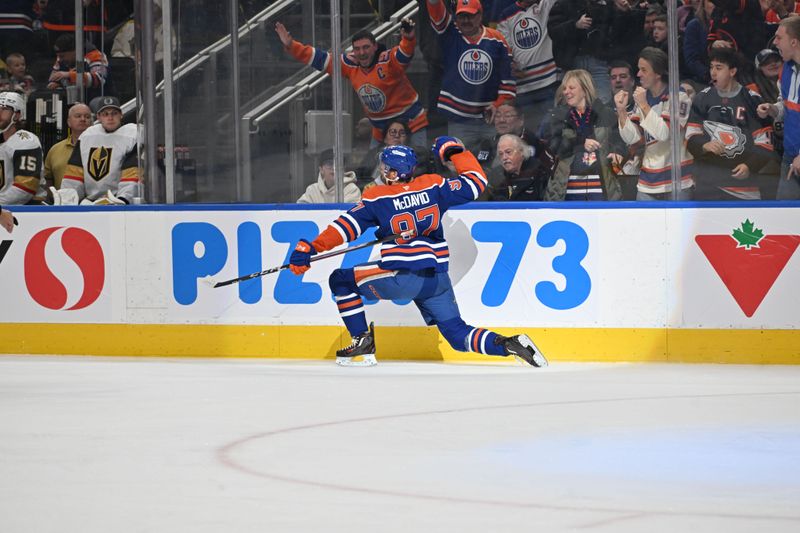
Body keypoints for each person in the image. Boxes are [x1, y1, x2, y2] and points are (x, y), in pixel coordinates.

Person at [287, 138, 547, 368]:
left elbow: (344, 229)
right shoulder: (434, 185)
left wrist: (311, 248)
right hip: (436, 279)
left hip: (402, 275)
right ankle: (509, 344)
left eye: (385, 167)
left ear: (393, 172)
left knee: (340, 280)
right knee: (457, 335)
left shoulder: (377, 197)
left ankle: (362, 341)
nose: (381, 170)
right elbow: (476, 181)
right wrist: (454, 150)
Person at [274, 20, 428, 146]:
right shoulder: (350, 64)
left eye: (366, 47)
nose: (362, 53)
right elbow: (321, 59)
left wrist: (408, 39)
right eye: (357, 49)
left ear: (375, 46)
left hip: (411, 122)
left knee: (418, 166)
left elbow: (404, 55)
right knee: (373, 172)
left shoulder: (388, 60)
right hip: (381, 129)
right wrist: (291, 45)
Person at [686, 47, 776, 200]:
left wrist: (750, 166)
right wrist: (703, 145)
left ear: (732, 71)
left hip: (743, 188)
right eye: (711, 67)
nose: (713, 72)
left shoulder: (751, 99)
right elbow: (691, 136)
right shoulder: (702, 98)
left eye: (719, 68)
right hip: (707, 184)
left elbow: (765, 142)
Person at [426, 0, 516, 145]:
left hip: (489, 120)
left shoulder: (497, 40)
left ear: (480, 15)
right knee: (461, 163)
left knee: (495, 162)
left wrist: (498, 105)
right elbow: (436, 11)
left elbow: (508, 83)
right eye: (461, 16)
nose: (465, 21)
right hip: (458, 120)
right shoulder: (451, 34)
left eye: (470, 16)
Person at [615, 47, 695, 200]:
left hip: (677, 182)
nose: (638, 74)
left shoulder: (679, 97)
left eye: (644, 70)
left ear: (658, 73)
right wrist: (621, 111)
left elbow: (664, 133)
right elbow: (632, 139)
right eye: (638, 69)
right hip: (647, 182)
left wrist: (644, 106)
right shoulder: (643, 100)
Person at [545, 69, 625, 201]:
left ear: (585, 89)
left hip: (601, 187)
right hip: (567, 188)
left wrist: (617, 152)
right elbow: (554, 146)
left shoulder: (605, 113)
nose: (566, 92)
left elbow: (618, 141)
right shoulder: (559, 116)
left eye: (571, 87)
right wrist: (580, 142)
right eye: (565, 88)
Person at [548, 0, 645, 104]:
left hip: (600, 62)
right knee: (570, 107)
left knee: (603, 104)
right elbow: (553, 31)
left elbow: (620, 33)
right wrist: (575, 25)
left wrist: (623, 12)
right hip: (572, 64)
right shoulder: (564, 3)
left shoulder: (609, 4)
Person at [51, 96, 140, 205]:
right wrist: (67, 198)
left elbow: (132, 175)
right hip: (90, 201)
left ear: (121, 114)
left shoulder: (132, 135)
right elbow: (74, 174)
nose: (110, 117)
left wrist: (123, 199)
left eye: (114, 113)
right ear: (98, 116)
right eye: (105, 114)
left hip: (117, 202)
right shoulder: (87, 136)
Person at [496, 0, 559, 131]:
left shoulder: (545, 5)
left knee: (550, 130)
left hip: (548, 82)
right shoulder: (506, 15)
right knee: (528, 133)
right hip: (523, 88)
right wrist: (510, 64)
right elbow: (503, 49)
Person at [757, 17, 800, 199]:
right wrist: (773, 110)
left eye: (778, 37)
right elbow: (786, 106)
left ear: (794, 41)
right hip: (790, 156)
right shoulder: (786, 70)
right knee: (784, 218)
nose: (774, 42)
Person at [0, 91, 46, 205]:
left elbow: (24, 188)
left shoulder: (26, 141)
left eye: (4, 109)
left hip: (27, 209)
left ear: (17, 114)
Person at [487, 133, 552, 200]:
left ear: (521, 151)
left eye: (508, 152)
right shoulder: (496, 177)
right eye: (501, 154)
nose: (504, 157)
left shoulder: (539, 172)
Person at [44, 102, 93, 190]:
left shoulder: (100, 148)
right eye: (78, 116)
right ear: (69, 122)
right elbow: (48, 180)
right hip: (62, 202)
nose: (83, 119)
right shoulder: (55, 150)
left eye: (87, 117)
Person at [46, 33, 110, 101]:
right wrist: (56, 84)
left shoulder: (95, 56)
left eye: (62, 56)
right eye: (58, 56)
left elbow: (99, 79)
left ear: (76, 51)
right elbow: (53, 77)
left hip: (99, 102)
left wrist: (68, 75)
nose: (59, 59)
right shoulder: (61, 60)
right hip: (73, 103)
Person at [297, 148, 362, 204]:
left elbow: (349, 215)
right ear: (321, 169)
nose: (334, 168)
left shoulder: (352, 189)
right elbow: (299, 211)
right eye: (329, 164)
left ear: (343, 169)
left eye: (338, 164)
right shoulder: (312, 190)